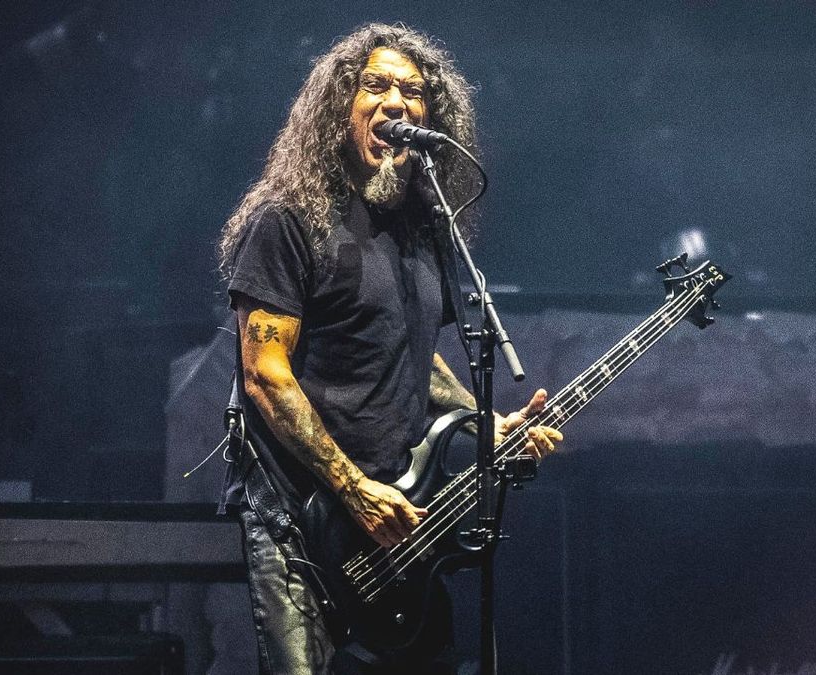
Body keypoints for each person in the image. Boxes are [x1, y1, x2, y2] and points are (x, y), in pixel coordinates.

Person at [215, 23, 563, 674]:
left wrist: (483, 421)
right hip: (303, 520)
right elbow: (264, 374)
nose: (396, 101)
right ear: (339, 108)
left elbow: (408, 352)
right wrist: (354, 489)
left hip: (395, 514)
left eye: (413, 90)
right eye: (375, 84)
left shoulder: (423, 233)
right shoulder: (288, 219)